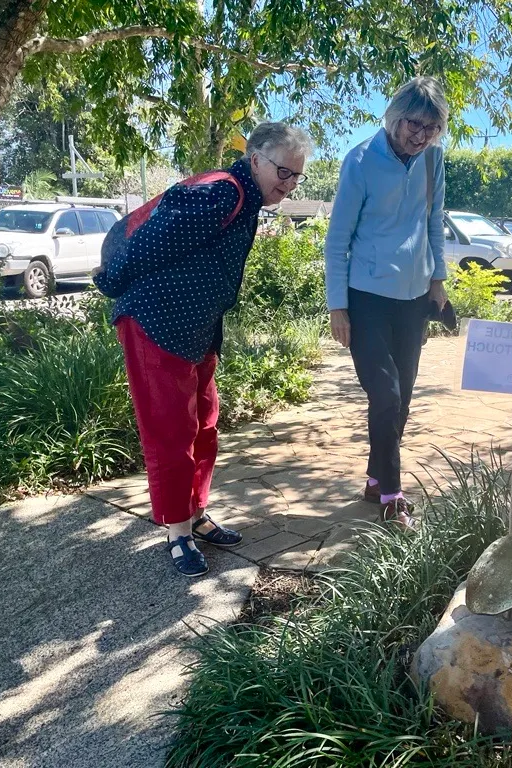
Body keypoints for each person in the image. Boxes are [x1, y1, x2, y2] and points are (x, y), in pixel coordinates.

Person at [96, 122, 312, 576]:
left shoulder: (246, 200)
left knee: (204, 426)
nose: (289, 184)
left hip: (196, 329)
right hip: (157, 323)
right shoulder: (221, 193)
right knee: (170, 431)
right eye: (283, 172)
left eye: (297, 176)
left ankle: (194, 512)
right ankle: (178, 530)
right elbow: (149, 247)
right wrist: (110, 284)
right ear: (254, 159)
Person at [324, 77, 449, 530]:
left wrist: (439, 281)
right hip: (367, 298)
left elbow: (434, 222)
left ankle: (377, 478)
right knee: (385, 394)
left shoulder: (434, 160)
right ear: (394, 116)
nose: (421, 135)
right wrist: (338, 306)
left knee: (404, 398)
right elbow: (337, 239)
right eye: (414, 124)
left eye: (431, 128)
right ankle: (393, 496)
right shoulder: (360, 160)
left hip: (413, 298)